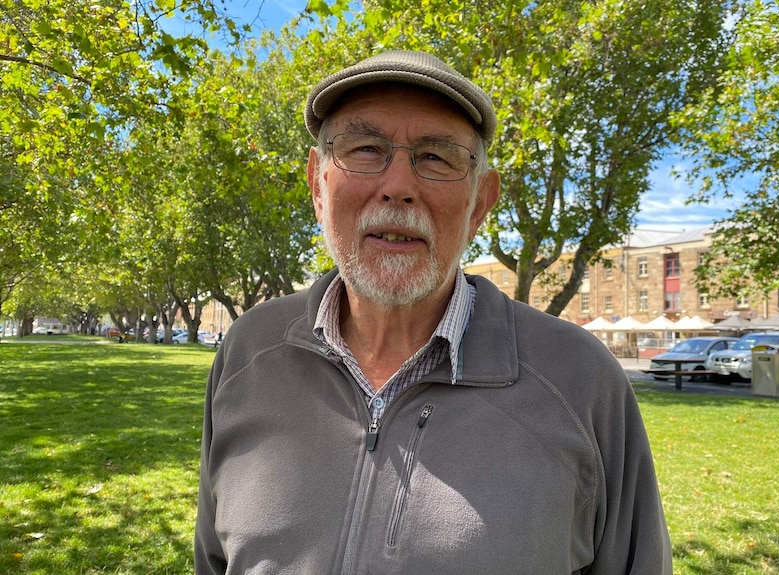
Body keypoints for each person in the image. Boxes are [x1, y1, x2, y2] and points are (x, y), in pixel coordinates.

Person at [194, 50, 672, 574]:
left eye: (436, 158)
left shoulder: (581, 381)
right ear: (317, 185)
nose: (398, 185)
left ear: (480, 204)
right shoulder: (248, 352)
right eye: (365, 148)